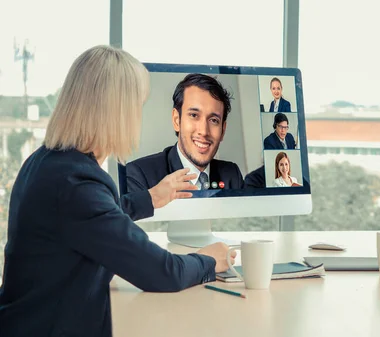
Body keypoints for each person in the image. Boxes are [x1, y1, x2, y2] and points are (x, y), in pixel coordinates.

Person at [0, 46, 236, 337]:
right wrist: (209, 260)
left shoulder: (48, 162)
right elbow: (162, 272)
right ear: (118, 112)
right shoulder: (77, 184)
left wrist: (149, 198)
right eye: (137, 106)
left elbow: (91, 222)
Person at [126, 73, 244, 193]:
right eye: (194, 115)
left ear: (223, 130)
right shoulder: (140, 176)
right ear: (177, 120)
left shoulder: (231, 175)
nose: (203, 131)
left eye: (214, 120)